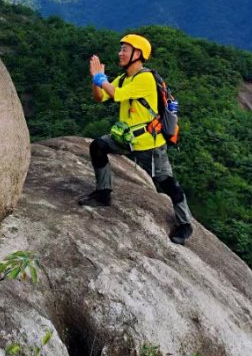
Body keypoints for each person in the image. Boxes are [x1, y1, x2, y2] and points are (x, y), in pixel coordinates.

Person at [79, 33, 194, 245]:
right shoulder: (124, 78)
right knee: (98, 146)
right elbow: (100, 96)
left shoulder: (145, 78)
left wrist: (99, 77)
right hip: (125, 138)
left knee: (167, 184)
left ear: (138, 54)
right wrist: (96, 80)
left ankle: (185, 224)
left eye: (125, 49)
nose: (120, 53)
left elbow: (116, 94)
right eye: (121, 49)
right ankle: (103, 193)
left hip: (149, 145)